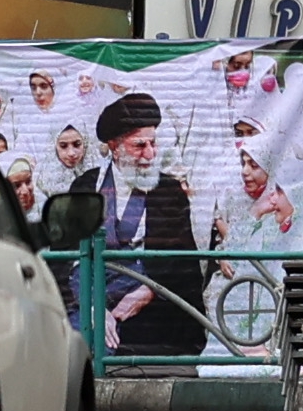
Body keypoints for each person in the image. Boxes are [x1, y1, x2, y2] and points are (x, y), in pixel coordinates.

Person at [39, 87, 209, 359]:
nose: (150, 154)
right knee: (82, 345)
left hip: (151, 302)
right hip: (89, 292)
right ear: (115, 148)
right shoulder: (84, 187)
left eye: (153, 143)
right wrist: (91, 305)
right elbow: (65, 259)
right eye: (139, 146)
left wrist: (149, 290)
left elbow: (182, 262)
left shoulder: (169, 191)